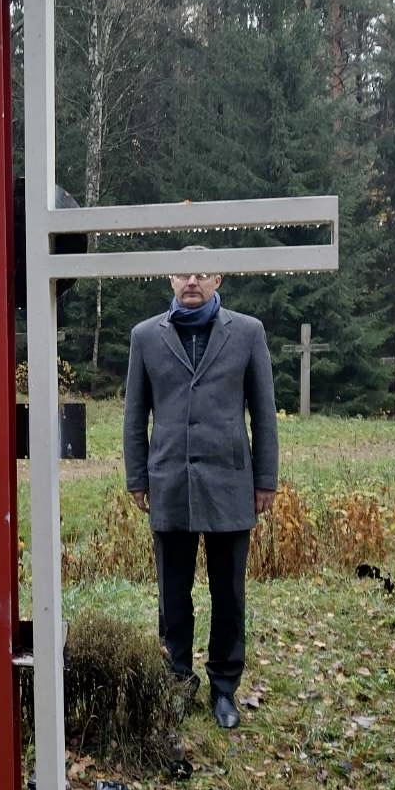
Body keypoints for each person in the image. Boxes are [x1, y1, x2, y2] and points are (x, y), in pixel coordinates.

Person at [123, 258, 278, 730]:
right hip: (169, 480)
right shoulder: (146, 336)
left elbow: (264, 411)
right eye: (182, 272)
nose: (192, 280)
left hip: (230, 482)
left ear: (218, 279)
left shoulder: (248, 332)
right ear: (169, 279)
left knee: (228, 593)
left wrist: (265, 479)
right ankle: (176, 682)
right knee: (173, 593)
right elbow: (135, 414)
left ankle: (225, 686)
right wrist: (138, 476)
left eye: (202, 272)